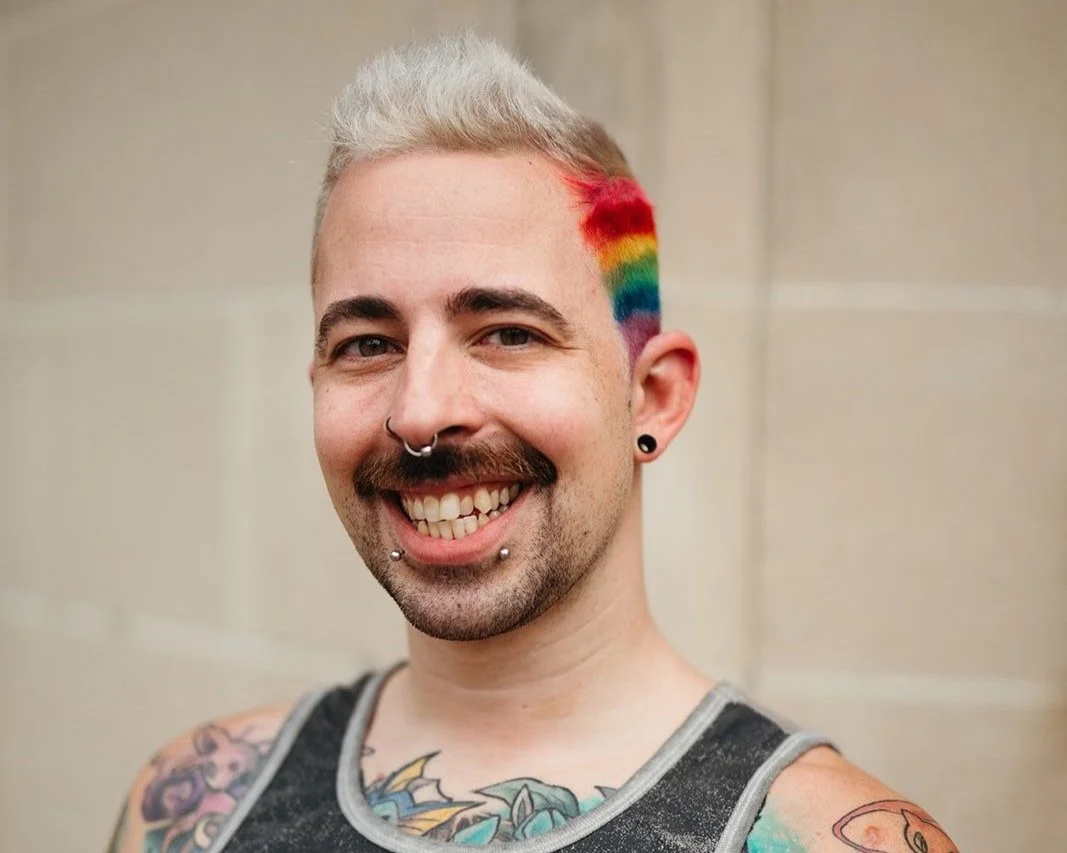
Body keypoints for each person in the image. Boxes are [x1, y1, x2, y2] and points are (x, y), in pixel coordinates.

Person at [108, 33, 960, 853]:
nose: (419, 411)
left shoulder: (831, 836)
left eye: (507, 332)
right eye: (367, 343)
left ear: (652, 396)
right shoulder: (191, 809)